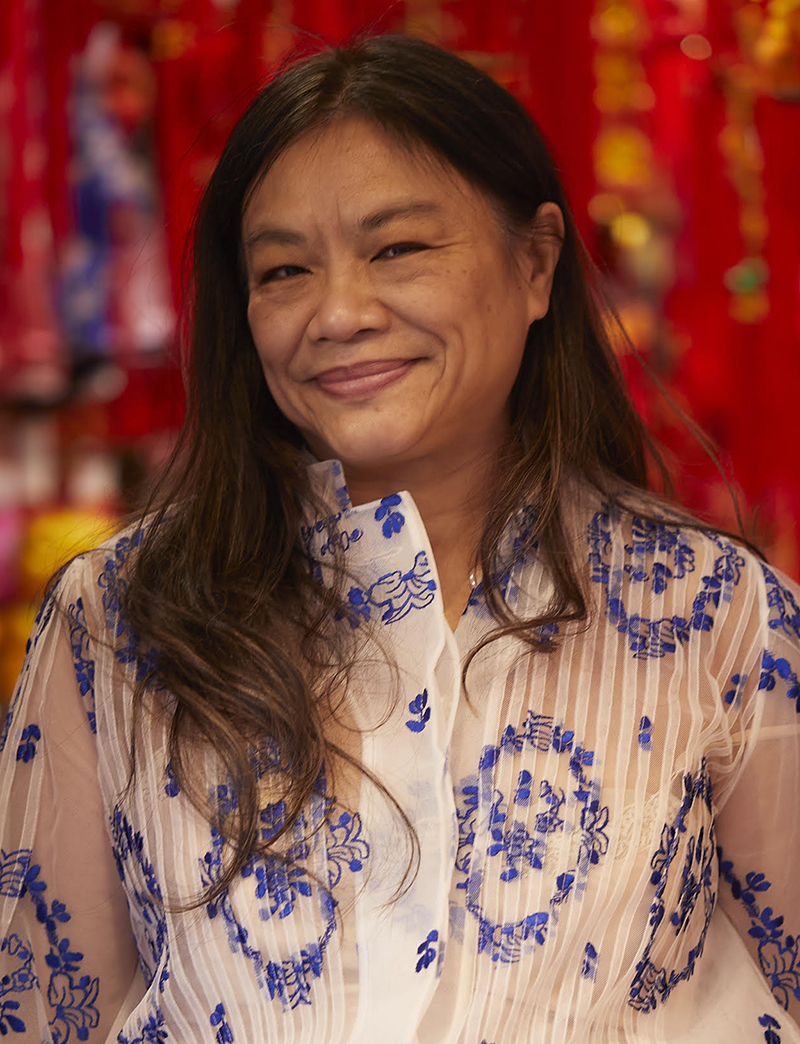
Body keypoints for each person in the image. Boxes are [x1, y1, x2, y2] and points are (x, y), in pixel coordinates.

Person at [1, 32, 798, 1044]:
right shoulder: (119, 613)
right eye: (283, 270)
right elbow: (42, 1010)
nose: (336, 312)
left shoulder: (712, 612)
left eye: (397, 249)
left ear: (535, 264)